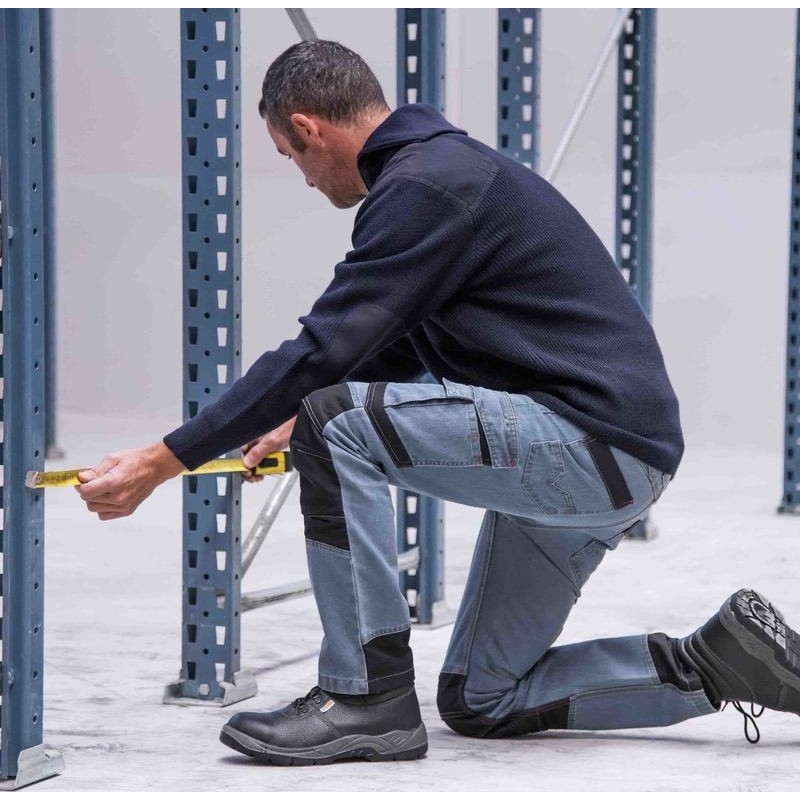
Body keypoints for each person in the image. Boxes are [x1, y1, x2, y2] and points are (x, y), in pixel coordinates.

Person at [77, 40, 800, 765]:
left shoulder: (425, 186)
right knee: (483, 698)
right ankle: (716, 662)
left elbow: (323, 347)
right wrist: (294, 417)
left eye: (289, 156)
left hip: (586, 445)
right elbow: (397, 342)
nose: (302, 177)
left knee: (335, 424)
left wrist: (165, 458)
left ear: (307, 128)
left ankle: (365, 698)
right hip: (613, 460)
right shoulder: (444, 175)